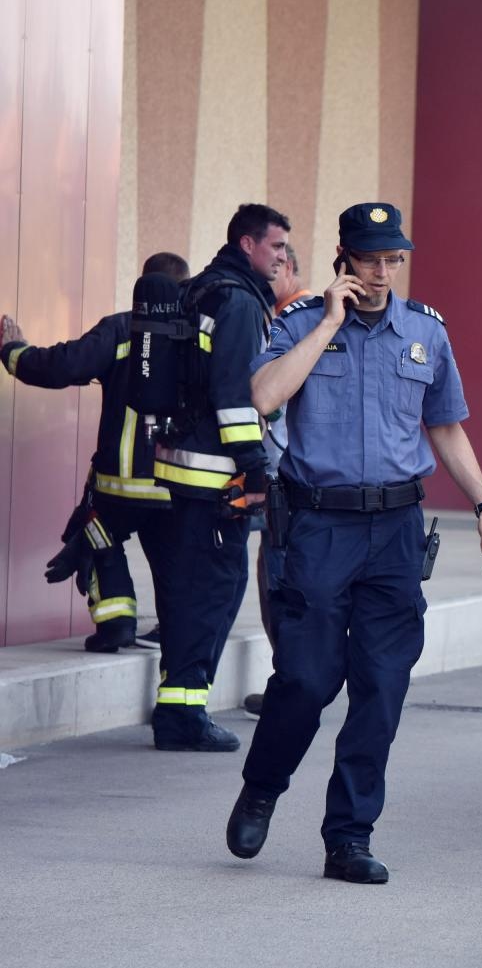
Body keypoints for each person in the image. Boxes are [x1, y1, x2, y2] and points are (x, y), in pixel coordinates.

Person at [226, 201, 482, 884]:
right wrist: (327, 321)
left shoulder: (425, 333)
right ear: (344, 259)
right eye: (371, 259)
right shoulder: (300, 323)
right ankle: (263, 786)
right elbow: (263, 396)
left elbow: (444, 426)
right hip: (320, 527)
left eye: (393, 260)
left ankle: (348, 836)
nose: (383, 273)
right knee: (308, 679)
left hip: (395, 532)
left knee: (381, 687)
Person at [143, 204, 286, 751]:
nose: (282, 257)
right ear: (248, 244)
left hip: (180, 468)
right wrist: (254, 469)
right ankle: (183, 718)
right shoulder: (240, 302)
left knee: (185, 592)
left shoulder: (199, 289)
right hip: (217, 479)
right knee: (213, 595)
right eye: (275, 246)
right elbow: (235, 394)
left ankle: (174, 709)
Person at [0, 252, 190, 653]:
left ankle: (116, 623)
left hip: (120, 484)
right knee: (175, 565)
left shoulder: (122, 328)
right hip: (178, 483)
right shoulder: (197, 336)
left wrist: (14, 351)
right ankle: (177, 636)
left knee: (91, 534)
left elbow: (62, 366)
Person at [243, 243, 315, 717]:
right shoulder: (299, 317)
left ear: (287, 269)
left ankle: (292, 686)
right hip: (288, 477)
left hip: (286, 478)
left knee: (281, 583)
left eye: (272, 267)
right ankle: (294, 680)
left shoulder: (298, 321)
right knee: (278, 577)